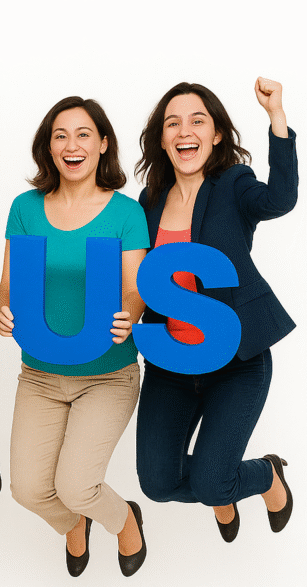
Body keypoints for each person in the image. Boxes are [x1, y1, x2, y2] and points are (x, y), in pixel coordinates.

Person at [134, 79, 295, 543]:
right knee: (157, 484)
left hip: (236, 362)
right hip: (173, 366)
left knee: (210, 482)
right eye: (173, 123)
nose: (185, 131)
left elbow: (279, 201)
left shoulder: (234, 184)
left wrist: (277, 118)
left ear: (217, 134)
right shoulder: (150, 201)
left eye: (197, 120)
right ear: (162, 139)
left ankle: (264, 476)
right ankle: (220, 483)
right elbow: (140, 278)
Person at [0, 96, 149, 577]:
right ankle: (72, 526)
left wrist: (128, 313)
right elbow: (9, 282)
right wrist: (5, 306)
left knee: (78, 485)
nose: (71, 145)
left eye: (83, 134)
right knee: (28, 490)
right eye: (60, 135)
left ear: (103, 144)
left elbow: (133, 288)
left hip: (107, 376)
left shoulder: (126, 213)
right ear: (48, 147)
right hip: (40, 375)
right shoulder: (25, 208)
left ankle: (125, 522)